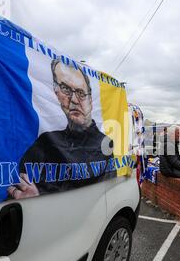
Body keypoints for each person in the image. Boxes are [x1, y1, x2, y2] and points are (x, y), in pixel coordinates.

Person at [8, 59, 115, 199]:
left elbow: (103, 194)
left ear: (90, 100)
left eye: (81, 93)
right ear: (56, 94)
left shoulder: (105, 144)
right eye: (66, 89)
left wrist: (39, 199)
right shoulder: (43, 143)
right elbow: (15, 186)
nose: (74, 100)